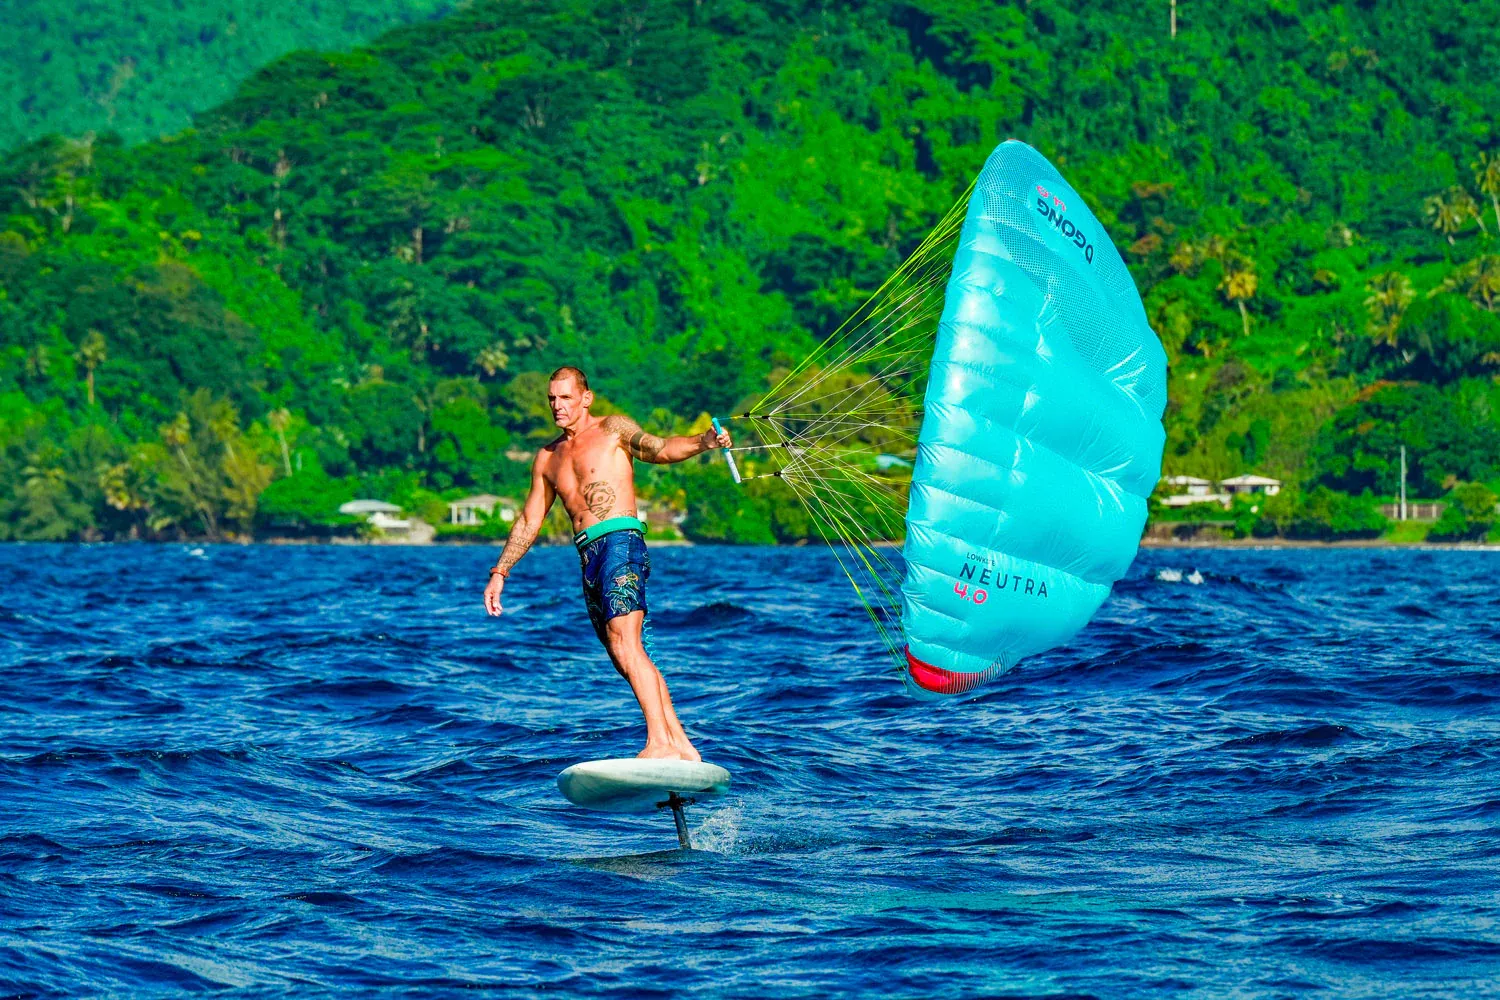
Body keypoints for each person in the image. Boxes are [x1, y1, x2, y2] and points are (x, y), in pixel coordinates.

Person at [483, 366, 732, 761]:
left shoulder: (613, 429)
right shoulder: (547, 458)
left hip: (620, 541)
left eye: (565, 398)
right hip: (589, 556)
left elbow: (660, 448)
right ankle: (681, 744)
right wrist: (500, 572)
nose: (557, 406)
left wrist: (703, 441)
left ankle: (660, 744)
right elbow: (530, 520)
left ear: (586, 398)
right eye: (551, 399)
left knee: (625, 642)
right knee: (624, 653)